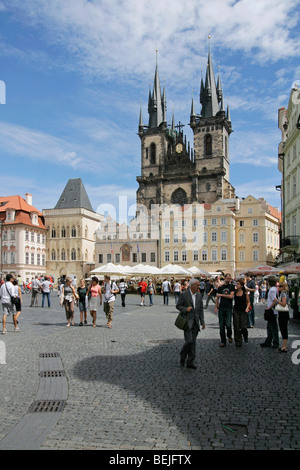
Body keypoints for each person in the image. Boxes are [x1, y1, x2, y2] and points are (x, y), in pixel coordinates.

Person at [176, 279, 205, 369]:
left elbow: (200, 310)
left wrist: (202, 321)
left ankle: (190, 362)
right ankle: (183, 356)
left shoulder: (199, 296)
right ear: (192, 286)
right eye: (197, 285)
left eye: (198, 285)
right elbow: (178, 305)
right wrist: (185, 309)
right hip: (187, 321)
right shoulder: (184, 294)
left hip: (195, 322)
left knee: (193, 343)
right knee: (189, 341)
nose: (198, 287)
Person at [215, 273, 235, 347]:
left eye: (229, 278)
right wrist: (216, 306)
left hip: (228, 307)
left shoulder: (232, 287)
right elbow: (217, 297)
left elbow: (231, 296)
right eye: (227, 278)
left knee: (228, 324)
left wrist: (221, 295)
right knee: (221, 325)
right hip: (221, 307)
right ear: (225, 278)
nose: (228, 280)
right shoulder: (221, 287)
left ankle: (229, 336)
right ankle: (223, 341)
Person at [260, 276, 279, 349]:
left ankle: (275, 342)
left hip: (272, 311)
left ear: (269, 282)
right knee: (269, 327)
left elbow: (275, 300)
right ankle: (268, 341)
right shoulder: (273, 289)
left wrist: (269, 307)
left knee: (273, 327)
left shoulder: (272, 290)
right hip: (272, 310)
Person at [233, 278, 251, 347]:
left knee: (243, 326)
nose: (236, 285)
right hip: (236, 310)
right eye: (236, 284)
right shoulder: (235, 292)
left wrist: (247, 308)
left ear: (241, 285)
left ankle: (245, 335)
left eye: (238, 284)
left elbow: (248, 302)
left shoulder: (245, 293)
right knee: (236, 327)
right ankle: (238, 341)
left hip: (243, 311)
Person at [275, 282, 289, 353]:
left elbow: (284, 304)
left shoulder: (283, 294)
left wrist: (277, 301)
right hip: (284, 314)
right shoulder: (285, 293)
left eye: (280, 286)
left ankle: (284, 346)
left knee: (283, 329)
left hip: (283, 314)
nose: (278, 287)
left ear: (283, 287)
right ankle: (284, 346)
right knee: (284, 329)